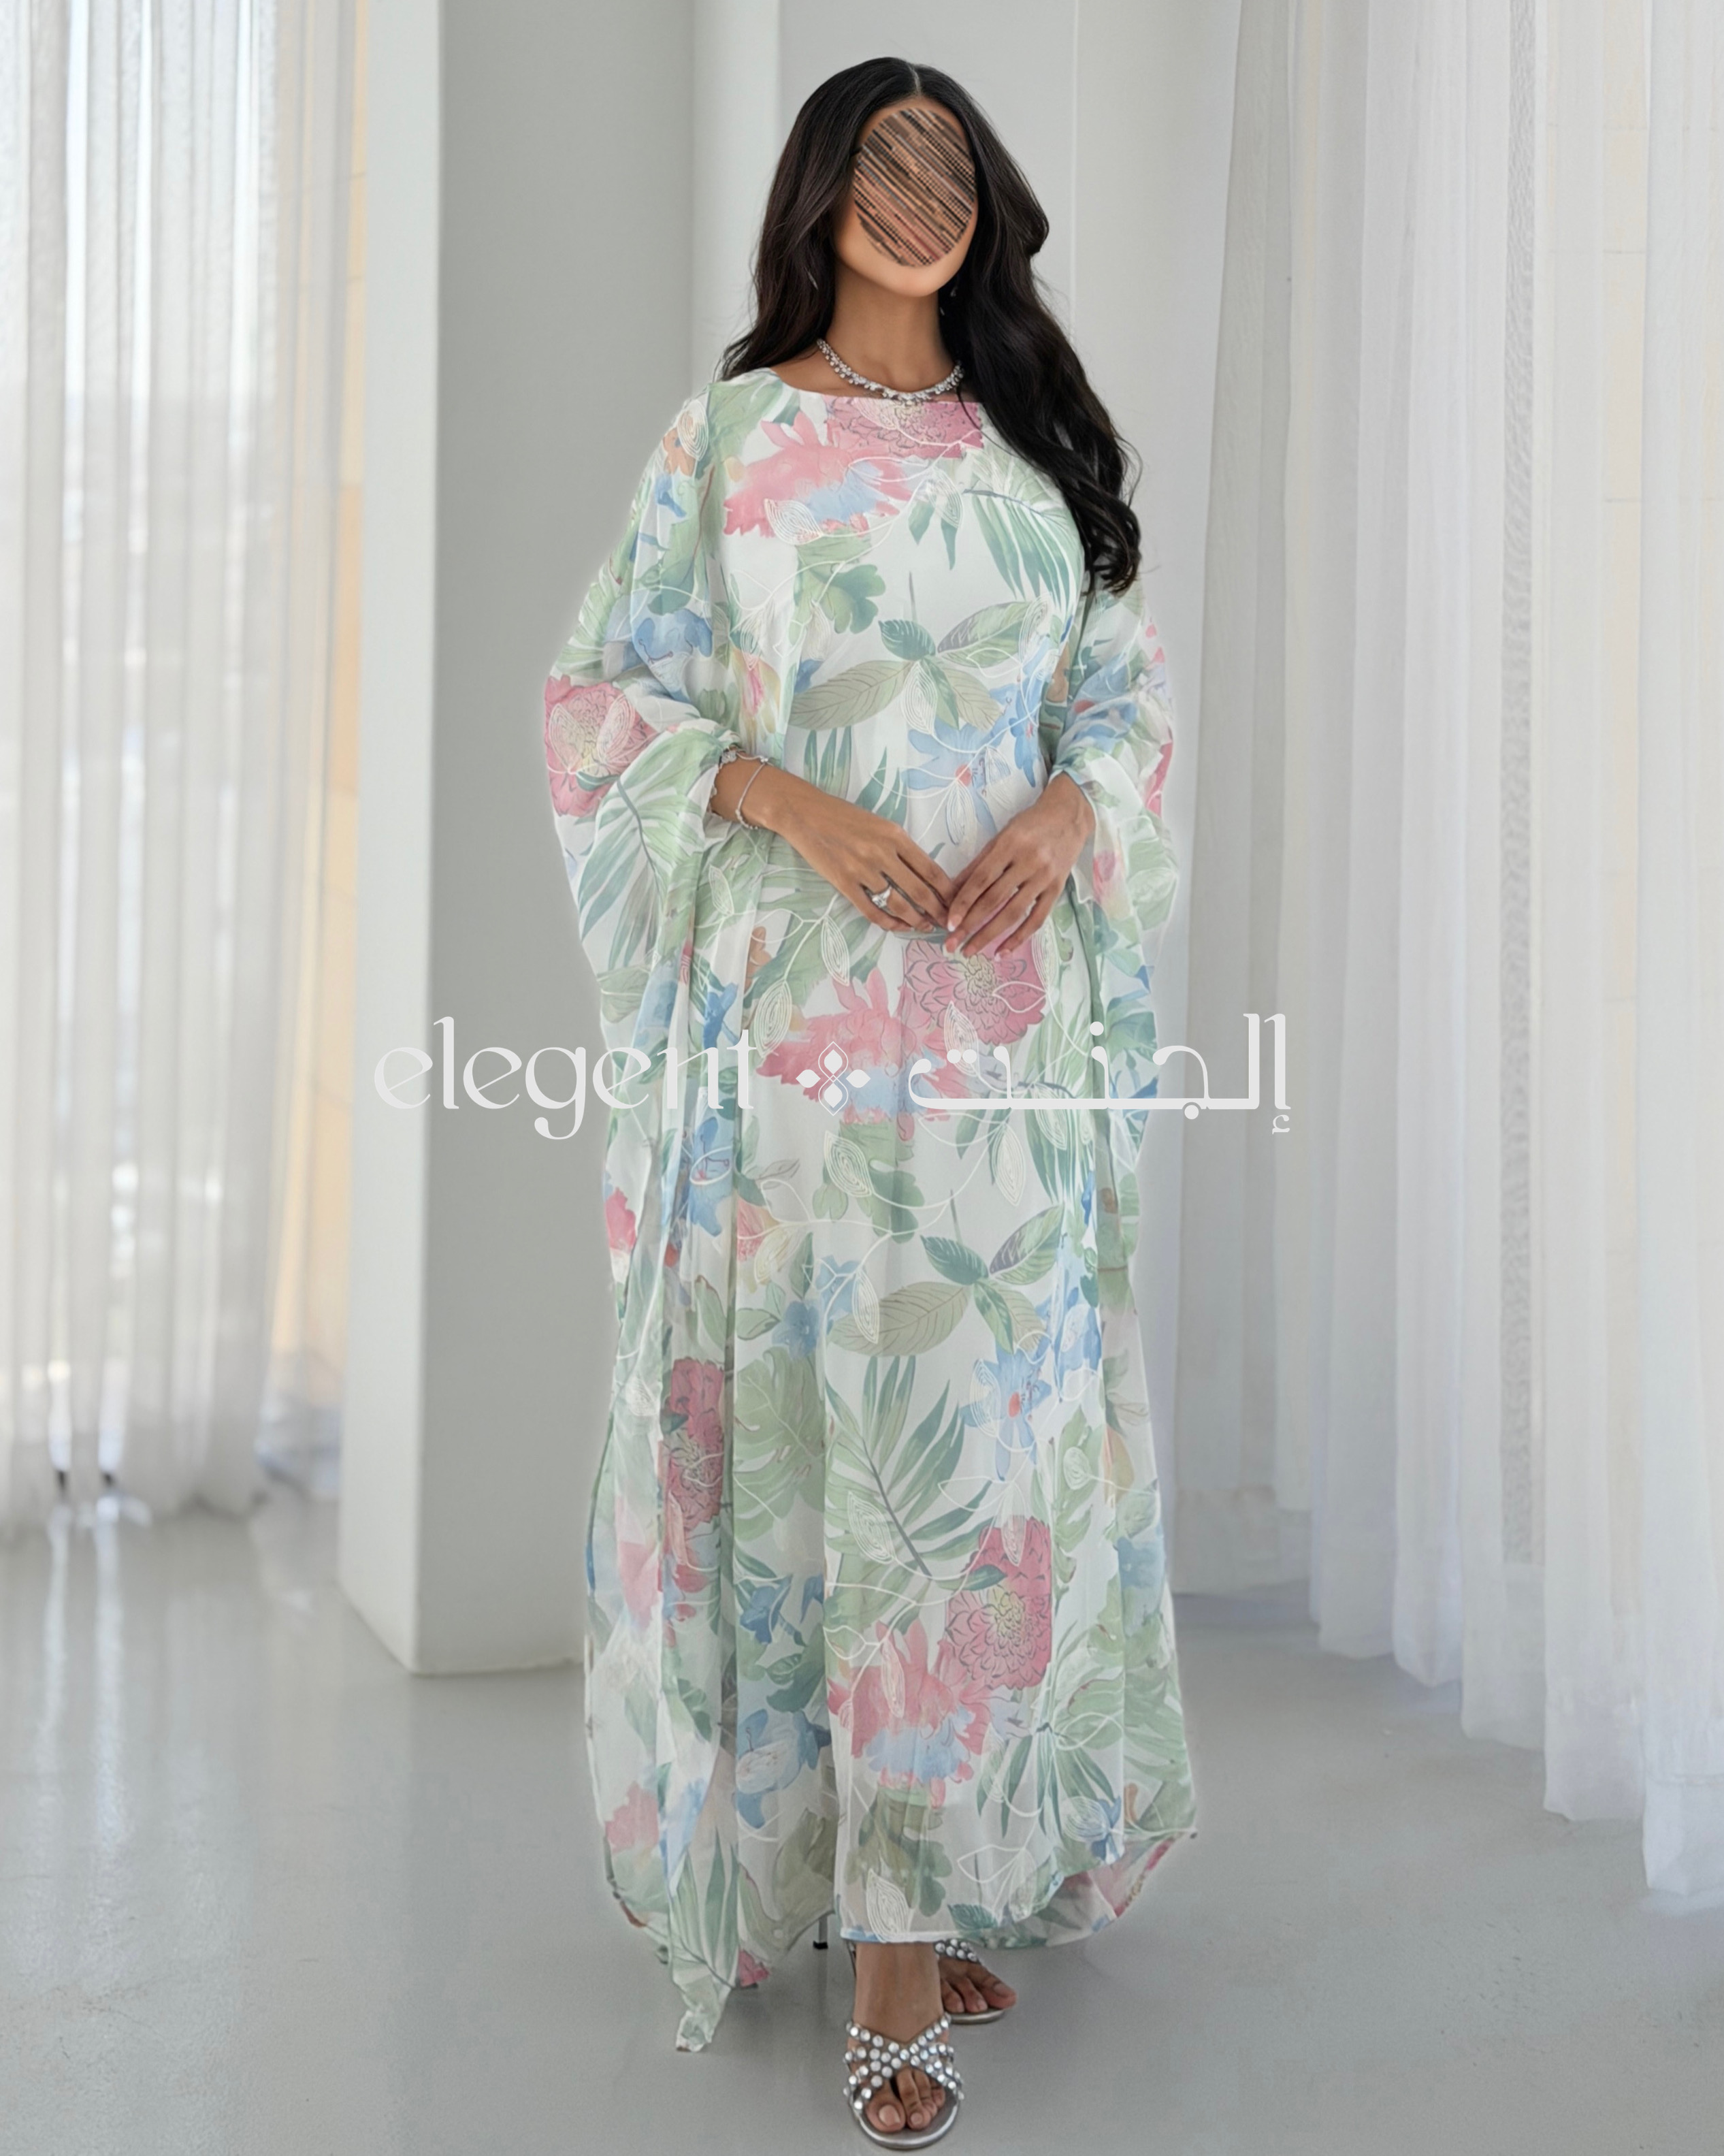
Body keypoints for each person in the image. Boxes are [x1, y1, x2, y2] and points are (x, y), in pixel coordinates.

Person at [542, 54, 1195, 2145]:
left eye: (951, 164)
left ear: (985, 197)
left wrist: (1077, 813)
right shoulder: (727, 442)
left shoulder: (1032, 441)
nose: (919, 197)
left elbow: (1125, 701)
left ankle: (943, 1870)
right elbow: (601, 704)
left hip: (1002, 1054)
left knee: (980, 1473)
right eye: (883, 163)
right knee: (823, 1461)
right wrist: (780, 795)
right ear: (820, 191)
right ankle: (874, 1924)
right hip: (796, 1050)